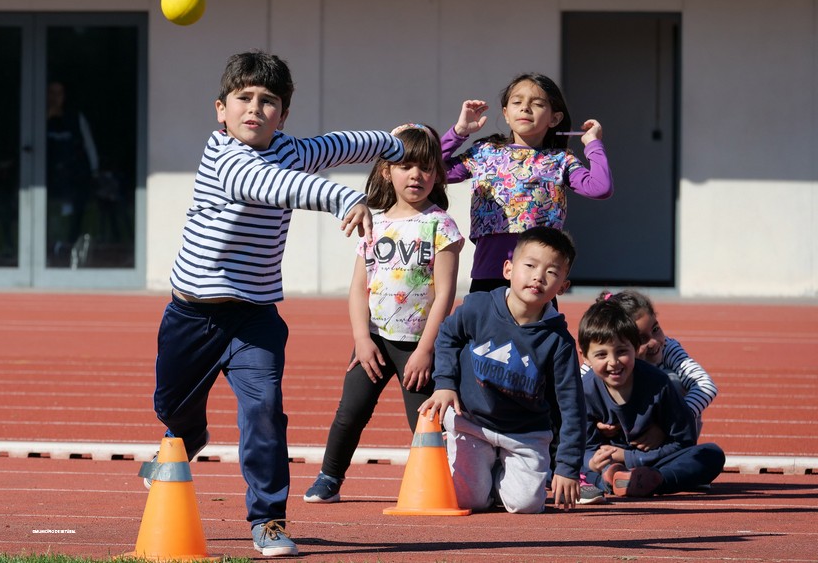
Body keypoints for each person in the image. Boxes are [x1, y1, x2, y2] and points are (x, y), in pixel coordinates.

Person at [144, 51, 405, 557]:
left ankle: (267, 519)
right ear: (221, 109)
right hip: (192, 315)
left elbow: (339, 145)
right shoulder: (223, 158)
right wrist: (343, 199)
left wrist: (399, 141)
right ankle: (189, 434)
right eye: (244, 99)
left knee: (264, 413)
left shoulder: (289, 149)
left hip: (255, 319)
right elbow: (274, 186)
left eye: (268, 102)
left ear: (282, 115)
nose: (255, 109)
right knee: (170, 408)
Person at [304, 123, 464, 504]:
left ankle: (437, 486)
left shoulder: (440, 224)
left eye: (426, 167)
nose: (416, 175)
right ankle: (329, 477)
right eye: (406, 165)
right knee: (350, 412)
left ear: (437, 175)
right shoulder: (372, 220)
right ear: (385, 171)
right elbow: (359, 289)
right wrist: (361, 339)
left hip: (418, 345)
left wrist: (427, 350)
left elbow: (445, 294)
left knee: (425, 423)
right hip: (373, 341)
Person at [419, 226, 584, 514]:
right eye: (530, 265)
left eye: (551, 272)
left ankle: (502, 473)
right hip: (472, 422)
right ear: (508, 268)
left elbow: (572, 407)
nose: (538, 276)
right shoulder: (478, 308)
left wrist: (567, 468)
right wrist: (444, 383)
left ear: (563, 287)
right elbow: (447, 337)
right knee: (469, 502)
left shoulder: (559, 342)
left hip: (526, 433)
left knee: (526, 506)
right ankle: (481, 471)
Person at [440, 73, 613, 293]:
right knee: (482, 326)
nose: (525, 108)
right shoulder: (484, 151)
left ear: (555, 119)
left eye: (538, 103)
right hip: (489, 270)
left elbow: (600, 187)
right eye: (517, 102)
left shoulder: (561, 160)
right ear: (505, 113)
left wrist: (593, 144)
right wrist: (459, 132)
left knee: (535, 327)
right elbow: (434, 171)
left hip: (537, 278)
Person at [578, 298, 726, 497]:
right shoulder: (586, 389)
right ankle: (610, 480)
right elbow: (584, 445)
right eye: (602, 355)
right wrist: (592, 461)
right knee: (560, 458)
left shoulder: (659, 383)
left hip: (655, 456)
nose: (613, 362)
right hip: (611, 460)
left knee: (711, 454)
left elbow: (684, 441)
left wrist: (636, 454)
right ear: (586, 356)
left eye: (622, 351)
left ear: (633, 345)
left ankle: (653, 480)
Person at [583, 290, 718, 439]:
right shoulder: (604, 359)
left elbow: (705, 386)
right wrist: (595, 421)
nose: (653, 342)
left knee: (672, 381)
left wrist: (668, 424)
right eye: (641, 338)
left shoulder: (668, 348)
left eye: (655, 329)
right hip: (619, 430)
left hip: (665, 429)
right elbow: (574, 392)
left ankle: (674, 450)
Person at [46, 80, 99, 265]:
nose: (55, 98)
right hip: (47, 183)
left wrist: (94, 171)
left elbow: (89, 146)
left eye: (59, 93)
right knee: (50, 220)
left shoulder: (76, 118)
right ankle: (48, 256)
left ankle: (68, 256)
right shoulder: (37, 118)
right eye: (51, 93)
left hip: (73, 180)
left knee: (72, 220)